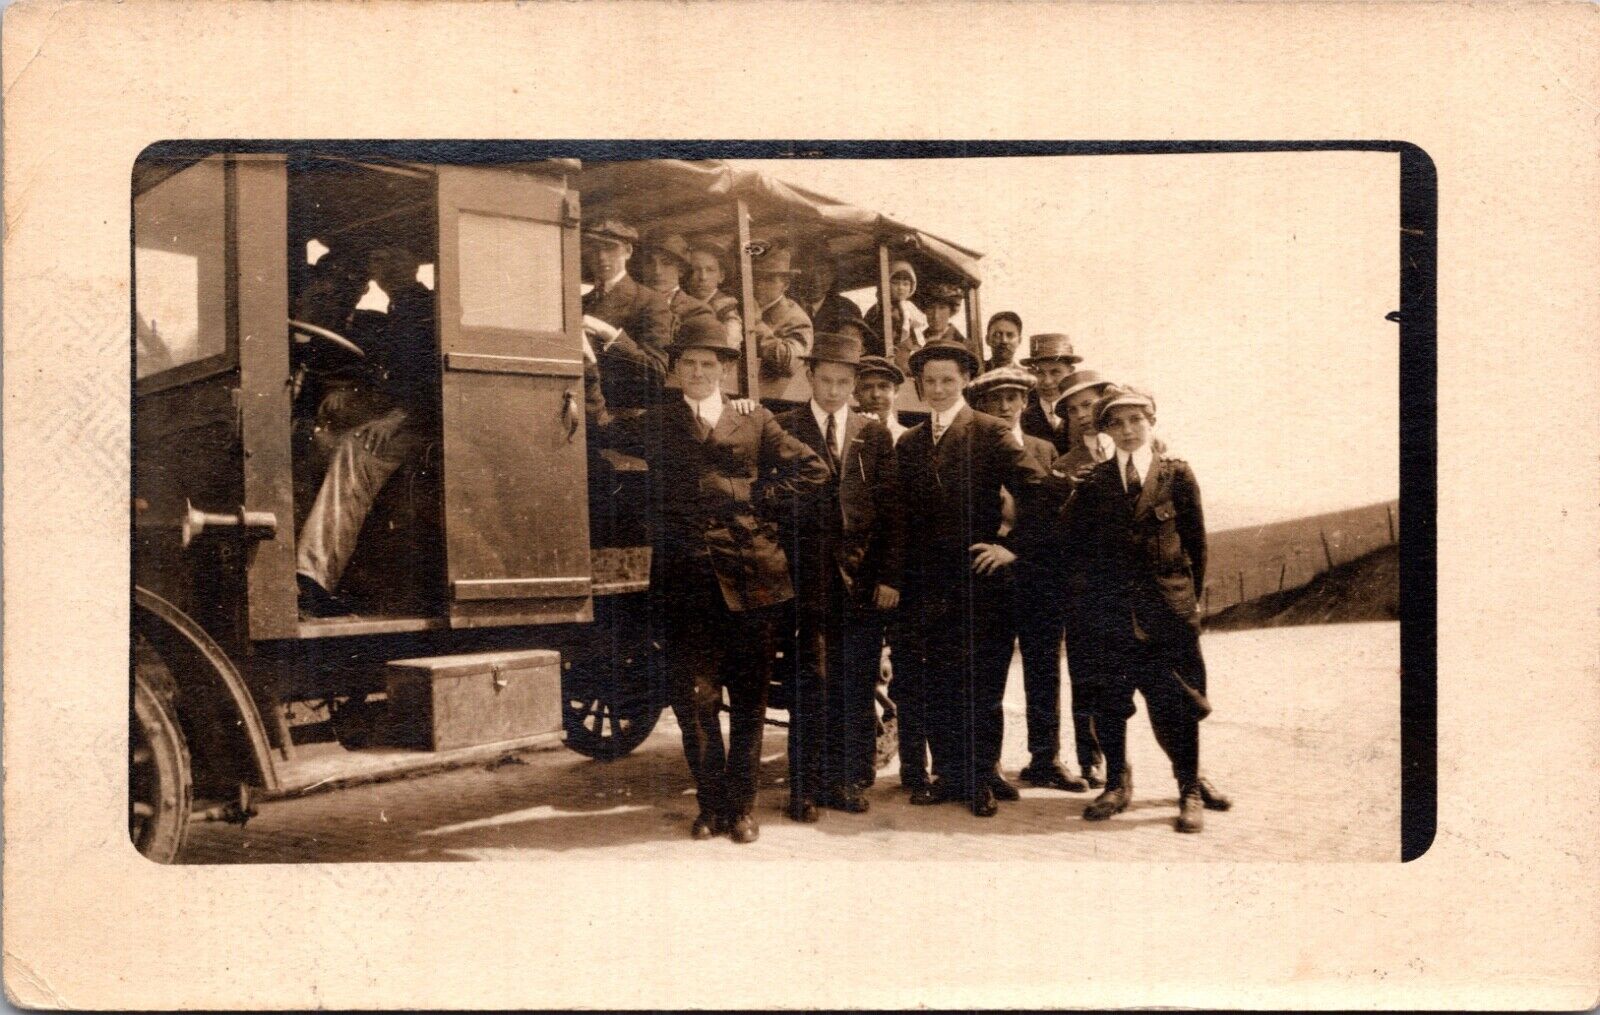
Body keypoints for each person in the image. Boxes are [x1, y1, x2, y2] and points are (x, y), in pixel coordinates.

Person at [585, 315, 829, 844]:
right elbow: (599, 426)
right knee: (694, 700)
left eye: (708, 364)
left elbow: (812, 470)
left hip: (754, 577)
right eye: (689, 363)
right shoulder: (657, 420)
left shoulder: (755, 418)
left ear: (724, 370)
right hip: (685, 581)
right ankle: (710, 803)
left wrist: (754, 497)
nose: (698, 372)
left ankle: (740, 808)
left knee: (748, 699)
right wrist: (585, 376)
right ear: (676, 368)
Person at [1062, 385, 1231, 833]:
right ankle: (1117, 783)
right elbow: (1078, 549)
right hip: (1111, 616)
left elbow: (1196, 543)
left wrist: (1185, 602)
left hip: (1166, 615)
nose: (1128, 429)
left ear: (1151, 421)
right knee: (1109, 702)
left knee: (1178, 702)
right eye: (1116, 423)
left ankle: (1188, 789)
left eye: (1136, 419)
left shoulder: (1176, 474)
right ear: (1105, 431)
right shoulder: (1095, 483)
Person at [895, 340, 1047, 817]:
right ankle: (948, 773)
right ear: (919, 386)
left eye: (948, 380)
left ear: (963, 383)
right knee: (938, 678)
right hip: (928, 585)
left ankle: (981, 775)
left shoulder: (991, 430)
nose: (939, 389)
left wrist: (1012, 548)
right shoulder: (910, 442)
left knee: (981, 681)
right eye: (930, 381)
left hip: (979, 582)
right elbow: (900, 517)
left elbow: (1040, 493)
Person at [774, 332, 903, 821]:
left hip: (864, 582)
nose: (833, 390)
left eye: (843, 381)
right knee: (811, 680)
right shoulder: (784, 427)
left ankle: (847, 780)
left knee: (855, 682)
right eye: (825, 379)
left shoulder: (874, 434)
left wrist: (889, 577)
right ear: (809, 377)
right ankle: (804, 787)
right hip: (806, 580)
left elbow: (893, 513)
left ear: (854, 383)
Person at [964, 365, 1091, 794]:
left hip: (1037, 574)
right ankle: (989, 764)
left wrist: (1016, 548)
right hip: (991, 577)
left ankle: (1045, 758)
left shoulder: (1043, 449)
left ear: (1025, 402)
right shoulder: (974, 446)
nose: (1005, 406)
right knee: (990, 670)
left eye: (1014, 397)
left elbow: (1056, 516)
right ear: (982, 404)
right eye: (995, 398)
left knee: (1043, 670)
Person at [294, 244, 437, 618]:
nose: (384, 266)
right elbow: (378, 373)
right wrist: (348, 394)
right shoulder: (396, 312)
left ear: (414, 262)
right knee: (316, 442)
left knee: (356, 450)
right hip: (398, 415)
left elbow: (437, 377)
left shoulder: (430, 309)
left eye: (394, 256)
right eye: (378, 258)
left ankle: (312, 578)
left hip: (429, 423)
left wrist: (396, 417)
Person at [1048, 366, 1116, 786]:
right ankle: (1091, 758)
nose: (1084, 414)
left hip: (1133, 584)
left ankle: (1189, 769)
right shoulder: (1065, 465)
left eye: (1089, 404)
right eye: (1073, 410)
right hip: (1086, 585)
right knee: (1087, 673)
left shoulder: (1142, 445)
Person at [581, 217, 673, 410]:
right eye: (594, 249)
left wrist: (610, 335)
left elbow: (656, 373)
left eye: (610, 248)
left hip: (622, 420)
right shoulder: (583, 301)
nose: (601, 257)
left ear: (628, 251)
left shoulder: (649, 301)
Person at [747, 244, 813, 381]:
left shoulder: (797, 319)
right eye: (756, 278)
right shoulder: (740, 306)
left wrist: (756, 324)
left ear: (786, 284)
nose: (759, 285)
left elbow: (789, 363)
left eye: (769, 280)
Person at [640, 230, 715, 341]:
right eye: (649, 262)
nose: (657, 271)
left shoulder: (697, 311)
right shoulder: (631, 305)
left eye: (666, 263)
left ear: (681, 269)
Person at [1019, 333, 1086, 455]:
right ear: (1030, 373)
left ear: (1070, 372)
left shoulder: (1085, 414)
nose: (1047, 381)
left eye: (1055, 372)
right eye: (1040, 373)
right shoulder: (1021, 419)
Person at [684, 237, 744, 349]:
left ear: (721, 276)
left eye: (710, 270)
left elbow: (729, 346)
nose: (703, 277)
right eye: (695, 270)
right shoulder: (681, 302)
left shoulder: (727, 310)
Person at [796, 241, 864, 337]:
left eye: (822, 272)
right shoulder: (786, 306)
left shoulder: (846, 308)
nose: (816, 280)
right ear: (799, 275)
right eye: (809, 272)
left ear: (832, 275)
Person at [865, 259, 927, 359]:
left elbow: (918, 334)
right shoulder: (878, 309)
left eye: (905, 284)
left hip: (907, 355)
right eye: (895, 283)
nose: (901, 288)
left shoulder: (911, 309)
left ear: (912, 287)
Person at [852, 351, 908, 445]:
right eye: (867, 387)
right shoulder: (844, 435)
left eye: (883, 387)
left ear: (896, 391)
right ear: (855, 393)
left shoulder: (908, 439)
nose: (876, 394)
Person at [918, 281, 966, 348]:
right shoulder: (916, 341)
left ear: (951, 311)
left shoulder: (965, 345)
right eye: (931, 308)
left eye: (942, 308)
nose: (936, 316)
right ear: (925, 310)